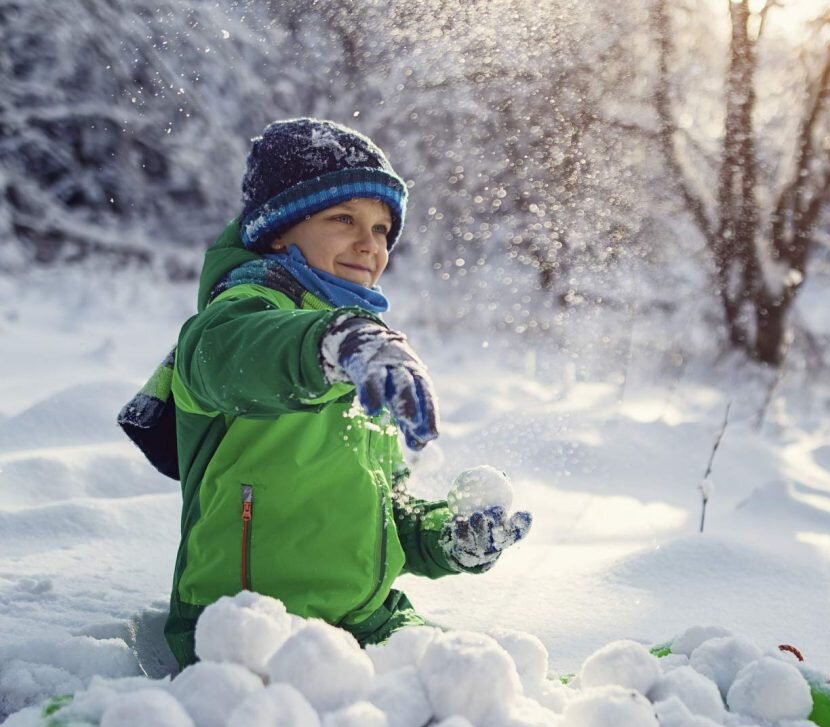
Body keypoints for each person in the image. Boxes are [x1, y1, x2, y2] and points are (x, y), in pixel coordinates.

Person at [125, 118, 531, 668]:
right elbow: (230, 357)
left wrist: (449, 539)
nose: (370, 244)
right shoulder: (242, 319)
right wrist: (336, 344)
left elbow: (385, 515)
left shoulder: (367, 356)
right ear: (278, 231)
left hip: (369, 619)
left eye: (383, 229)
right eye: (344, 219)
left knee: (483, 685)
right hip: (247, 629)